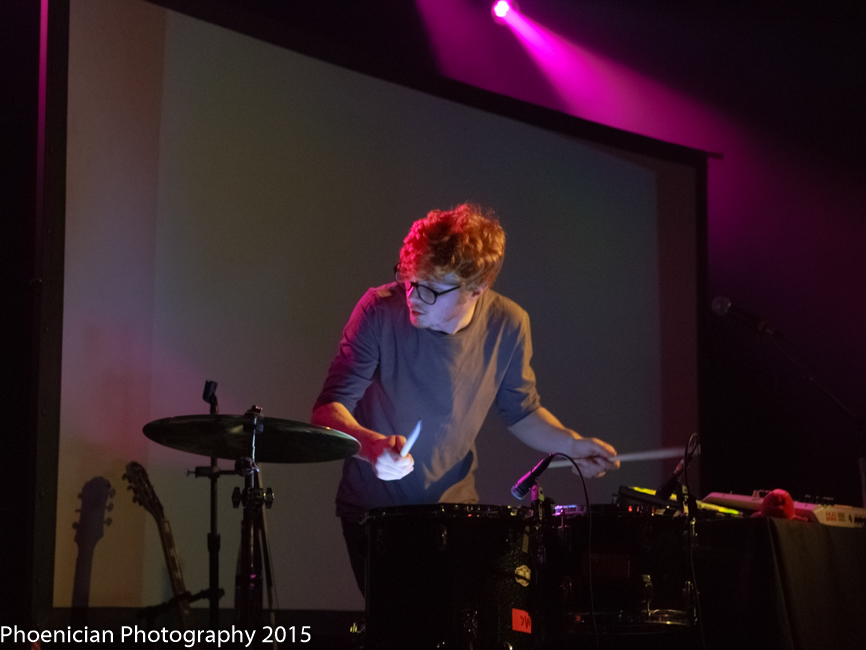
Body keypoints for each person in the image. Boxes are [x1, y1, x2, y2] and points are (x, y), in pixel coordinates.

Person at [311, 203, 619, 592]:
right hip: (374, 514)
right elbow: (327, 411)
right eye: (409, 279)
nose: (413, 296)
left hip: (456, 513)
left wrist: (571, 445)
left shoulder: (508, 323)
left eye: (430, 288)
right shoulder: (379, 310)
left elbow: (522, 412)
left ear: (476, 289)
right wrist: (372, 448)